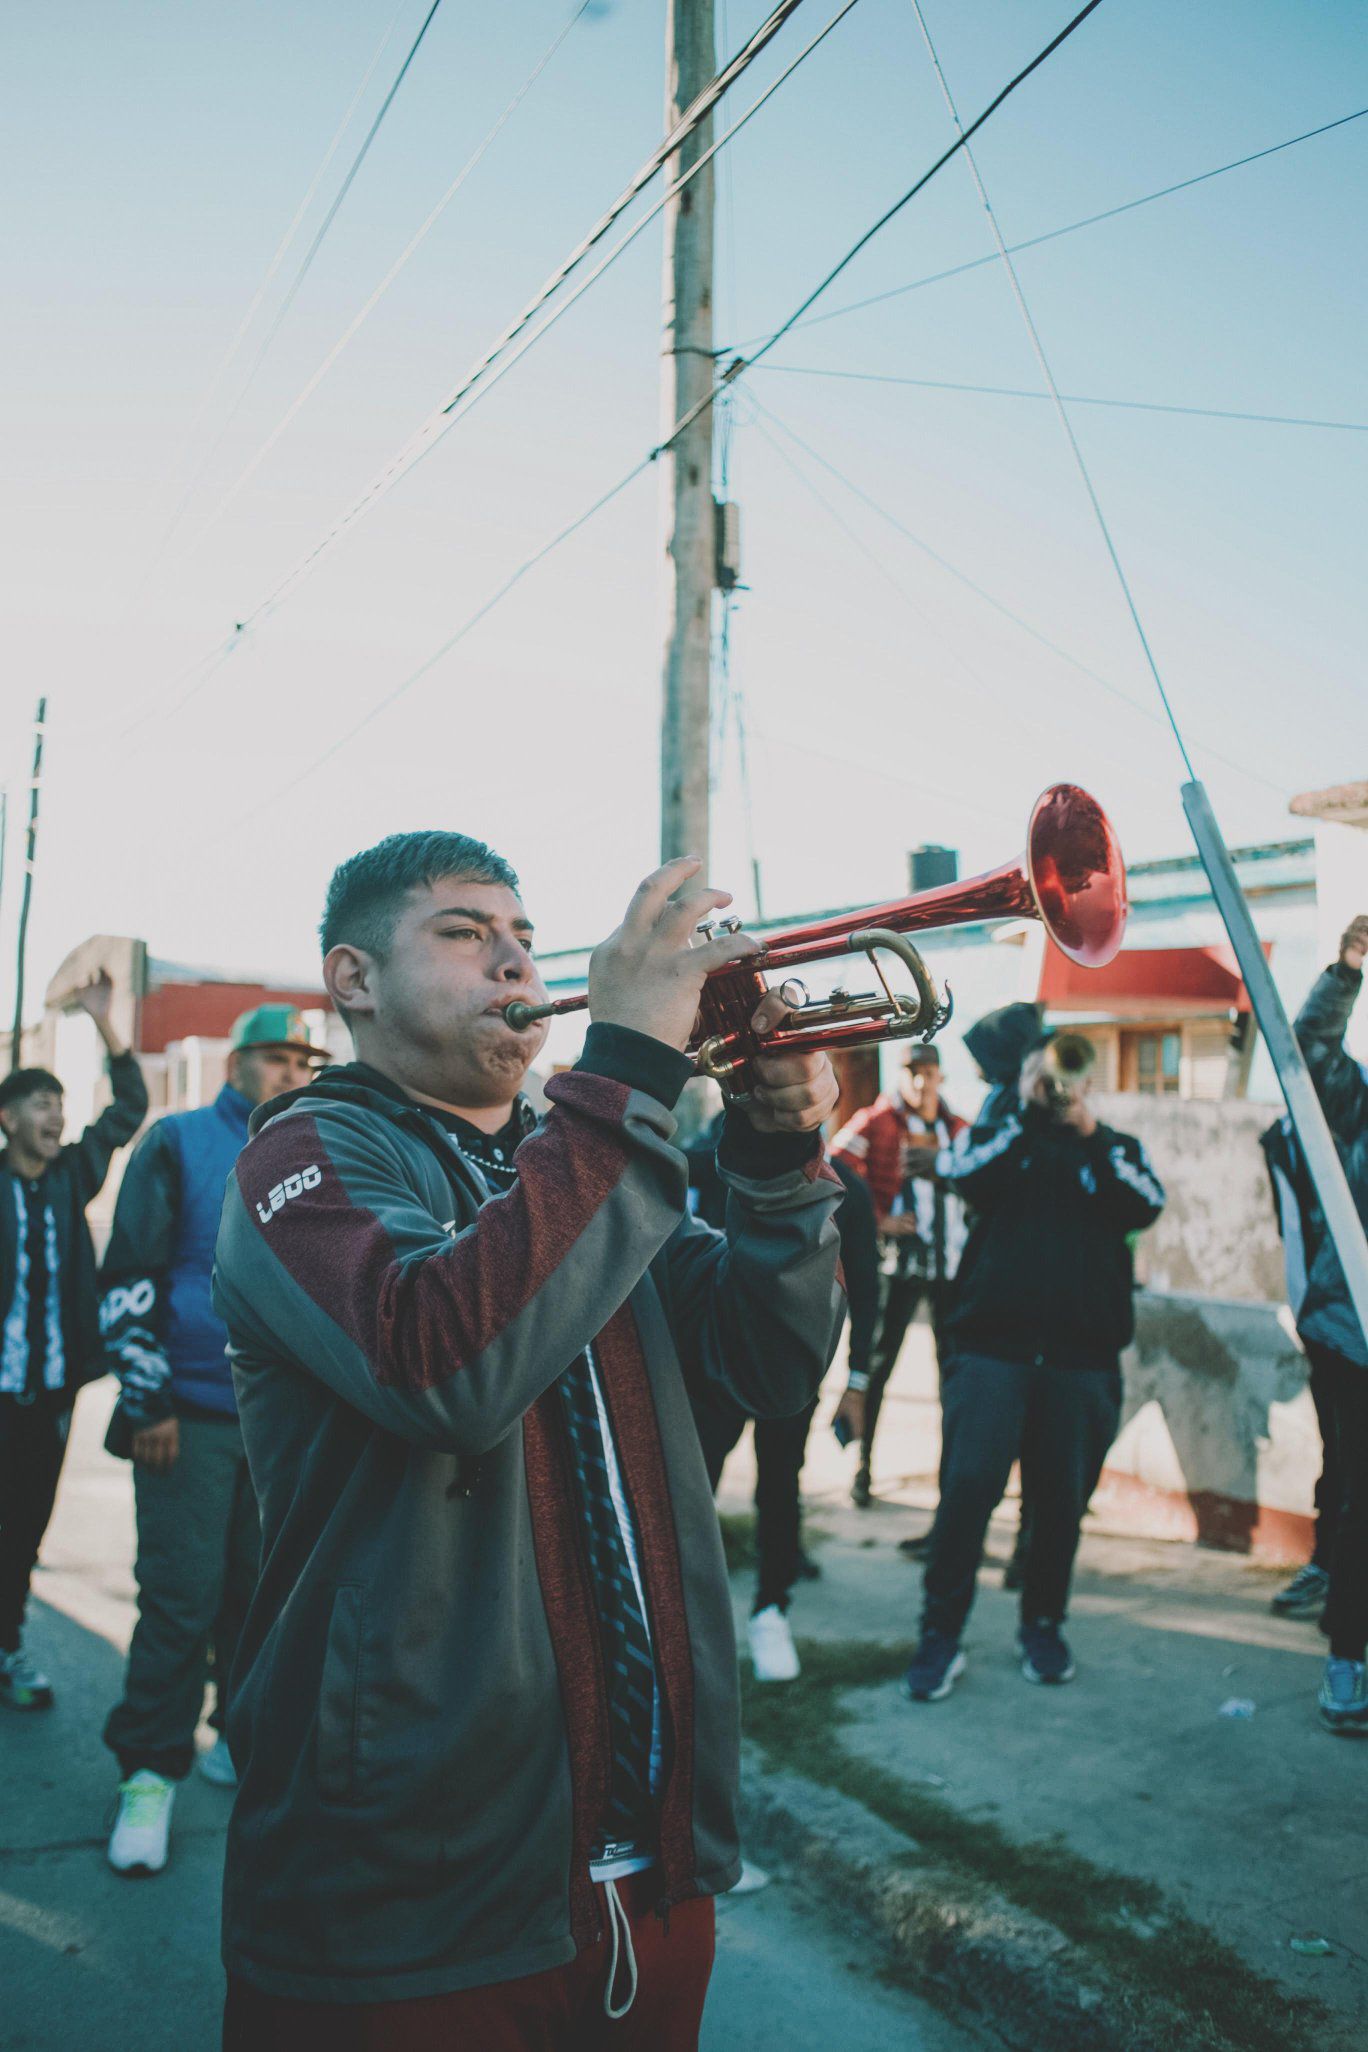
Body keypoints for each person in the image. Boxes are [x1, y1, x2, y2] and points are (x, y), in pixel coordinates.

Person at [211, 832, 844, 2049]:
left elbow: (768, 1365)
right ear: (353, 980)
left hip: (646, 1874)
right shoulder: (303, 1156)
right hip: (401, 1909)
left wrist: (773, 1155)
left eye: (524, 939)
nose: (514, 962)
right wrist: (625, 1073)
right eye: (463, 934)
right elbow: (443, 1362)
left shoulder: (592, 1169)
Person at [100, 1006, 328, 1877]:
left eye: (304, 1061)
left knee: (260, 1601)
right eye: (276, 1057)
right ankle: (148, 1776)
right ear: (237, 1062)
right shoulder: (178, 1141)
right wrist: (147, 1398)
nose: (291, 1074)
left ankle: (237, 1740)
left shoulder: (319, 1149)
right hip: (186, 1418)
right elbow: (126, 1275)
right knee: (180, 1599)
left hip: (283, 1428)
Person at [903, 1029, 1164, 1702]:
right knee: (965, 1497)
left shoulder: (1115, 1150)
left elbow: (1146, 1203)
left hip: (1081, 1363)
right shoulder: (997, 1136)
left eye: (1065, 1073)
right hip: (992, 1352)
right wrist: (1021, 1111)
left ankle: (1043, 1625)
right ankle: (940, 1635)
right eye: (1042, 1071)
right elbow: (959, 1172)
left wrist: (1087, 1129)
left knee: (1059, 1507)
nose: (1056, 1082)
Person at [684, 1122, 880, 1683]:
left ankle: (772, 1609)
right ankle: (683, 1610)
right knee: (694, 1485)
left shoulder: (845, 1186)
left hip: (791, 1367)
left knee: (780, 1484)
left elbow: (866, 1291)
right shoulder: (705, 1161)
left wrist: (859, 1381)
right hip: (710, 1361)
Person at [0, 974, 147, 1710]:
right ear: (7, 1118)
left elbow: (129, 1109)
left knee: (24, 1528)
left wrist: (104, 1023)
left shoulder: (72, 1175)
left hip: (50, 1397)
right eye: (40, 1101)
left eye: (60, 1101)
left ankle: (8, 1646)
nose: (56, 1112)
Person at [830, 1045, 966, 1509]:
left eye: (929, 1073)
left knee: (951, 1376)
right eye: (913, 1073)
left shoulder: (958, 1129)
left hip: (950, 1268)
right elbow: (835, 1168)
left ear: (941, 1077)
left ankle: (951, 1484)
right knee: (880, 1367)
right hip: (897, 1264)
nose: (921, 1083)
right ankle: (863, 1468)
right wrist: (877, 1219)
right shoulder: (878, 1119)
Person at [1292, 913, 1368, 1735]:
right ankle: (1347, 1654)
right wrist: (1346, 971)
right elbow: (1309, 1054)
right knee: (1362, 1503)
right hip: (1355, 1340)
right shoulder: (1356, 1109)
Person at [1260, 1113, 1340, 1618]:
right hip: (1331, 1326)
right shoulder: (1284, 1139)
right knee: (1341, 1455)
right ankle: (1331, 1566)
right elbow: (1295, 1231)